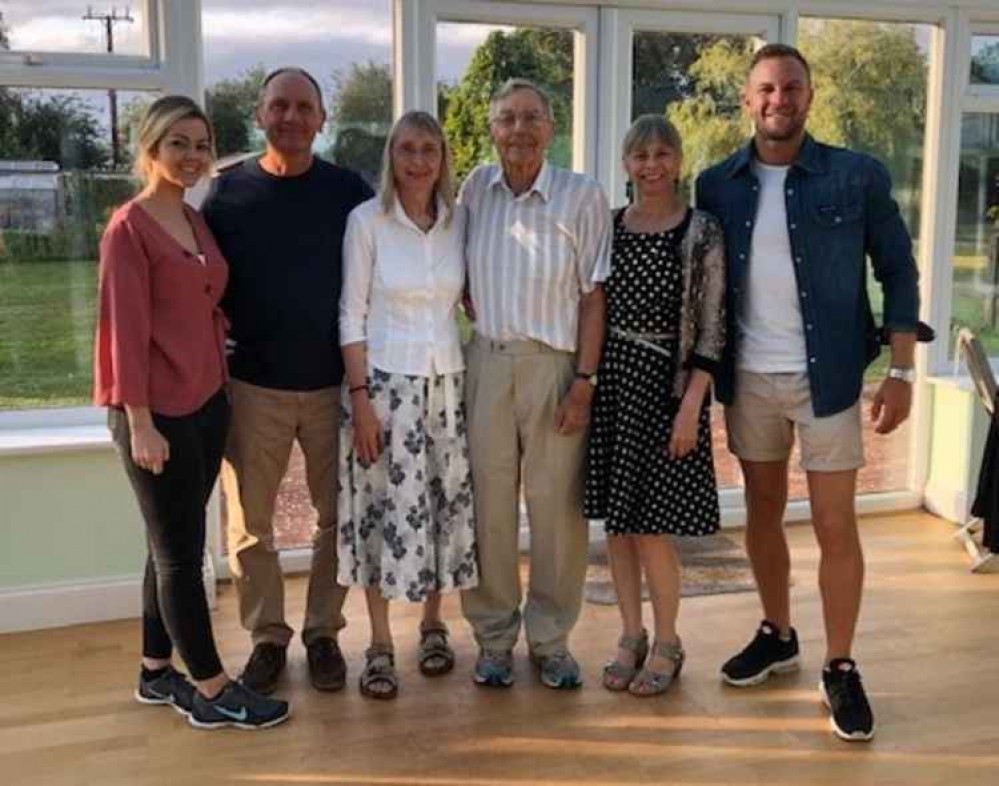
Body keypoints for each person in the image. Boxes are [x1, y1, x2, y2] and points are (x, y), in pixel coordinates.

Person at [696, 44, 920, 742]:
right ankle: (777, 632)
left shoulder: (855, 176)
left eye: (790, 88)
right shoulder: (715, 184)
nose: (778, 100)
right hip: (750, 379)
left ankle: (841, 665)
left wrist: (903, 371)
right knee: (762, 512)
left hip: (827, 378)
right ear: (746, 98)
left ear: (809, 96)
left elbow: (898, 270)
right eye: (765, 89)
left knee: (833, 524)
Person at [94, 95, 289, 730]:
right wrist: (141, 422)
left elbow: (203, 294)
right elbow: (124, 333)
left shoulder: (192, 216)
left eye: (201, 144)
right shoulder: (130, 227)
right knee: (181, 556)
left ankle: (155, 671)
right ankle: (211, 688)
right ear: (149, 147)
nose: (192, 155)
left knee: (167, 546)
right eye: (178, 143)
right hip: (157, 414)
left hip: (206, 401)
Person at [201, 68, 373, 695]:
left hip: (334, 386)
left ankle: (323, 632)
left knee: (338, 519)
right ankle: (267, 638)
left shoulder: (349, 192)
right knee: (251, 524)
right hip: (254, 387)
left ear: (322, 119)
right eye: (280, 106)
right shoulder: (226, 195)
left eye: (304, 107)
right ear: (260, 114)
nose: (292, 117)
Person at [459, 78, 612, 690]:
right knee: (488, 509)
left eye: (532, 118)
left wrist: (584, 381)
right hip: (488, 363)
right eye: (507, 119)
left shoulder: (582, 195)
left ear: (551, 128)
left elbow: (594, 299)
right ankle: (494, 638)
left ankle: (550, 639)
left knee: (556, 511)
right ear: (492, 128)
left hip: (555, 366)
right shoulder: (475, 189)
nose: (519, 129)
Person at [584, 115, 725, 696]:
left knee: (652, 527)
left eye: (662, 154)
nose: (651, 166)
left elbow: (713, 327)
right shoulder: (610, 226)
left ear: (679, 160)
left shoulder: (701, 229)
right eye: (640, 155)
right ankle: (630, 634)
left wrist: (692, 404)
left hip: (668, 390)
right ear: (626, 164)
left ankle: (669, 640)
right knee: (618, 527)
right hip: (614, 384)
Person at [339, 111, 478, 700]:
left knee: (439, 508)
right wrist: (362, 402)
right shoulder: (367, 222)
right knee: (377, 513)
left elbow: (470, 298)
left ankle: (432, 625)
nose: (419, 162)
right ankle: (377, 644)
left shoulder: (458, 222)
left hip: (445, 387)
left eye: (429, 150)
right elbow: (350, 314)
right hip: (385, 389)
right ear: (391, 158)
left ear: (443, 158)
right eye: (407, 150)